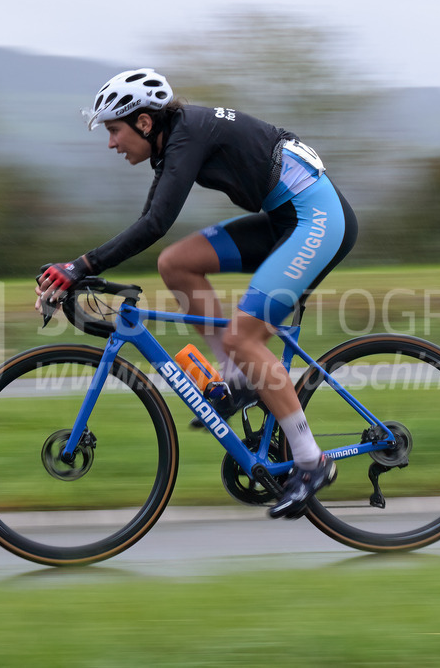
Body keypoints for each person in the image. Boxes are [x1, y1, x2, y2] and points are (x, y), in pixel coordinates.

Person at [36, 68, 357, 518]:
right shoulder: (175, 140)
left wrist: (81, 266)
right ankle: (237, 380)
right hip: (285, 219)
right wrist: (80, 269)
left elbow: (155, 223)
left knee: (244, 337)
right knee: (176, 263)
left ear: (144, 123)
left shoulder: (186, 135)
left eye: (114, 130)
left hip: (316, 221)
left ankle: (310, 461)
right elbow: (151, 219)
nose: (111, 143)